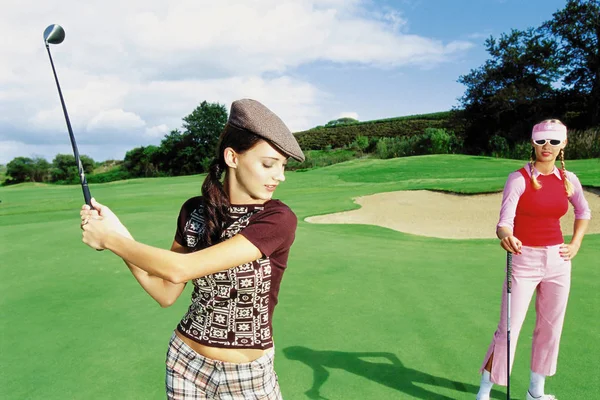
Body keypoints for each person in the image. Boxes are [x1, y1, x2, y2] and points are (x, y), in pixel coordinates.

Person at [80, 99, 305, 399]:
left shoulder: (277, 219)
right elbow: (165, 292)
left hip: (247, 376)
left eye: (282, 166)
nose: (280, 176)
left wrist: (111, 239)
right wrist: (118, 233)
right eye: (268, 164)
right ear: (232, 157)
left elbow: (181, 269)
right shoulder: (195, 211)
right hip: (185, 364)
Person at [476, 119, 591, 400]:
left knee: (551, 329)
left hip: (558, 261)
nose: (546, 146)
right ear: (533, 143)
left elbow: (583, 212)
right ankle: (484, 392)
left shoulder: (568, 180)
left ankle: (535, 393)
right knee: (509, 329)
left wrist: (575, 244)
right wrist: (506, 235)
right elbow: (504, 222)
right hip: (523, 258)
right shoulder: (519, 178)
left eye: (553, 141)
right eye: (541, 141)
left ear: (563, 143)